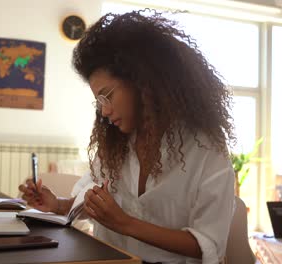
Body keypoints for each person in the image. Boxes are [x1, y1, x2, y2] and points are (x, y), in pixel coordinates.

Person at [19, 9, 235, 264]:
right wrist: (58, 205)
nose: (104, 111)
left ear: (144, 82)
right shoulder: (117, 142)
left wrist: (125, 224)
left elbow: (208, 245)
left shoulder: (206, 148)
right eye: (98, 101)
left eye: (107, 96)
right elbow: (92, 200)